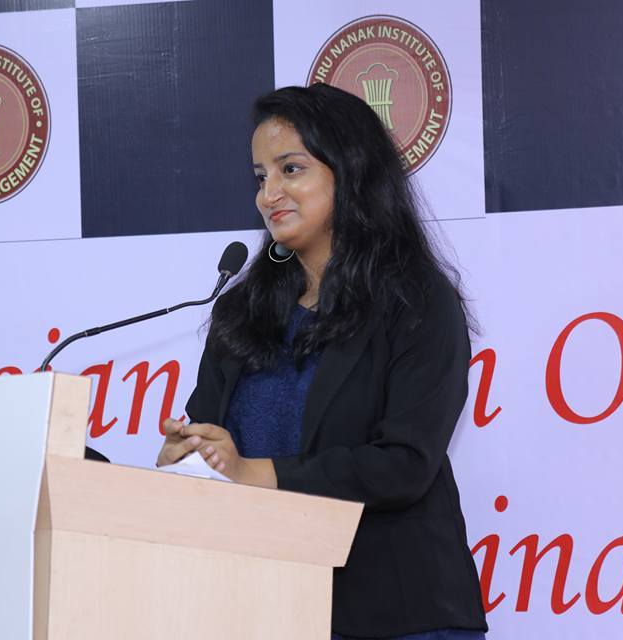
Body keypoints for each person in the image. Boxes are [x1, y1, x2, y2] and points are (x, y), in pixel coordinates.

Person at [156, 83, 488, 639]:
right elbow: (213, 440)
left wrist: (254, 473)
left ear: (351, 173)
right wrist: (190, 456)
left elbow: (404, 464)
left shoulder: (416, 300)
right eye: (260, 176)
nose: (269, 194)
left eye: (291, 169)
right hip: (263, 608)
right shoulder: (241, 310)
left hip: (396, 613)